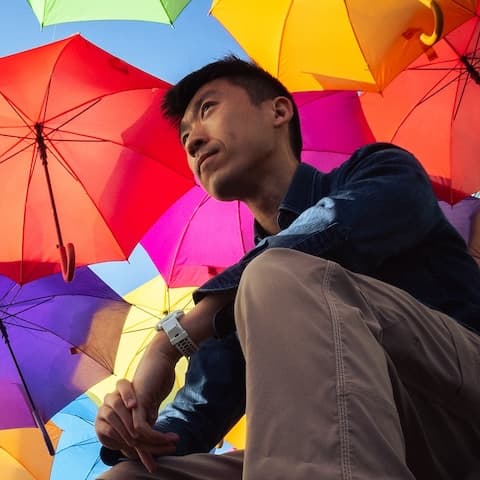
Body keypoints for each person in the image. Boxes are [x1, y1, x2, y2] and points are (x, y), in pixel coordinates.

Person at [95, 56, 480, 480]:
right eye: (185, 136)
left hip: (456, 406)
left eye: (208, 109)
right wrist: (132, 429)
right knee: (128, 477)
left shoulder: (381, 168)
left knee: (276, 274)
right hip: (349, 437)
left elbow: (332, 229)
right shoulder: (252, 292)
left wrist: (169, 343)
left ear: (278, 110)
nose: (192, 142)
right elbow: (197, 414)